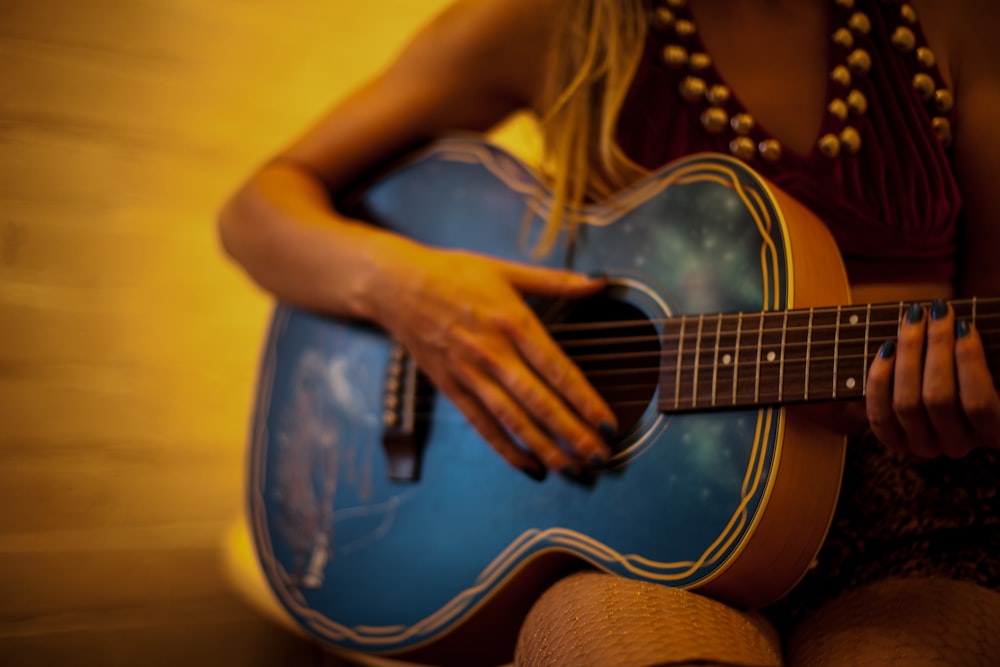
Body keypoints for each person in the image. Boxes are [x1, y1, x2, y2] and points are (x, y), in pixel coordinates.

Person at [218, 0, 1000, 664]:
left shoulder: (957, 19)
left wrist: (963, 406)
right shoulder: (559, 18)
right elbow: (257, 211)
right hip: (640, 537)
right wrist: (411, 289)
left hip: (910, 524)